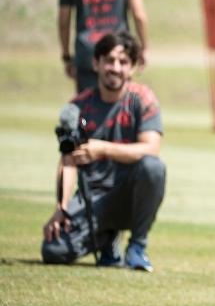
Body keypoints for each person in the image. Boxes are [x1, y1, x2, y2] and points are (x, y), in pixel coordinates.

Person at [42, 31, 165, 272]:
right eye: (109, 60)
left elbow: (152, 148)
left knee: (153, 167)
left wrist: (103, 149)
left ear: (132, 67)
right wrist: (61, 208)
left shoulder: (142, 99)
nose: (115, 68)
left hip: (129, 195)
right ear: (95, 63)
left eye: (123, 62)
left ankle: (137, 247)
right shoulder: (78, 107)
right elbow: (68, 161)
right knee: (53, 250)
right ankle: (106, 238)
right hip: (93, 197)